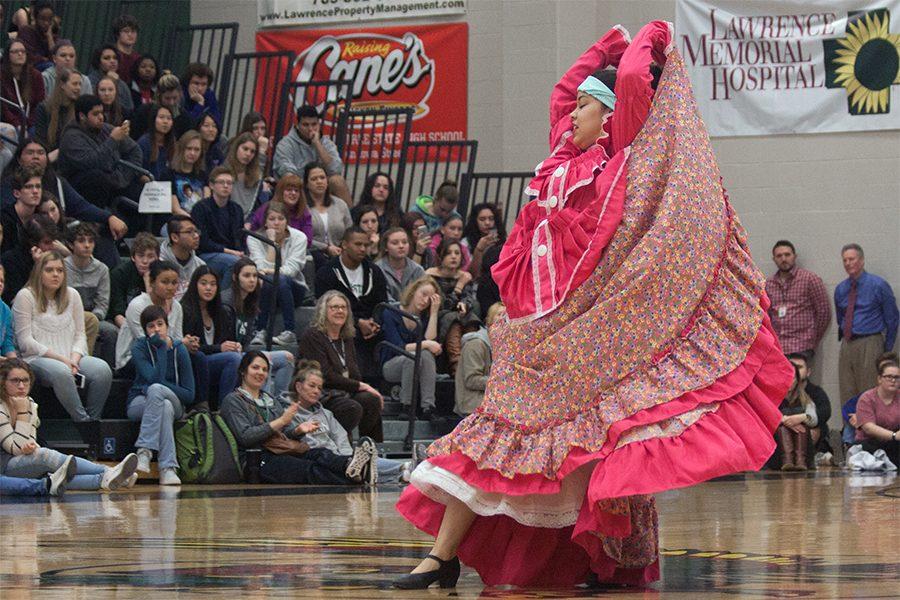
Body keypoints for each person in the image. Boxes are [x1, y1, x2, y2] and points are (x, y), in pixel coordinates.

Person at [394, 22, 795, 590]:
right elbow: (565, 89)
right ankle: (443, 555)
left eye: (587, 104)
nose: (572, 111)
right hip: (536, 330)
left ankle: (604, 558)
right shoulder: (560, 156)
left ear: (610, 115)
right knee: (499, 434)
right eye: (577, 105)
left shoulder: (622, 152)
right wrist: (607, 44)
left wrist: (649, 37)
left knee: (593, 446)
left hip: (590, 328)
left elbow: (630, 79)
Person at [220, 350, 376, 485]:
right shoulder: (233, 400)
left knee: (319, 453)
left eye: (265, 369)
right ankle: (356, 476)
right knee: (307, 469)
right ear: (243, 371)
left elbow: (284, 434)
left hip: (279, 449)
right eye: (255, 367)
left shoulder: (270, 399)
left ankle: (350, 464)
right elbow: (246, 437)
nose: (261, 372)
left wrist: (298, 431)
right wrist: (281, 421)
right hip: (256, 459)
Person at [0, 358, 138, 491]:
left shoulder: (29, 402)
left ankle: (108, 479)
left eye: (25, 380)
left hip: (22, 461)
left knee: (58, 478)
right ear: (3, 382)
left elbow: (29, 440)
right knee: (45, 455)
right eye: (15, 381)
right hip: (4, 465)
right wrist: (22, 413)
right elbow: (14, 448)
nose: (21, 386)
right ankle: (109, 471)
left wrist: (30, 446)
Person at [12, 251, 113, 423]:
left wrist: (74, 358)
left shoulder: (72, 295)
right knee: (62, 372)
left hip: (70, 356)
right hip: (37, 358)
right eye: (49, 270)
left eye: (60, 270)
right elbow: (25, 341)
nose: (55, 274)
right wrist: (62, 359)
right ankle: (82, 421)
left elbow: (80, 334)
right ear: (39, 272)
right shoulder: (26, 296)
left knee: (102, 370)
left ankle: (94, 420)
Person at [3, 138, 129, 265]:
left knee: (102, 235)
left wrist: (109, 217)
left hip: (58, 233)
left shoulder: (57, 182)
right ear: (19, 159)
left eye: (40, 153)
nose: (36, 157)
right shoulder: (9, 185)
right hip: (27, 242)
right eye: (30, 153)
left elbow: (81, 206)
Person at [281, 360, 406, 484]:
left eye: (319, 388)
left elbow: (340, 437)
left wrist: (348, 458)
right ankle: (407, 469)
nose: (316, 391)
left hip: (338, 460)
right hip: (314, 459)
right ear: (298, 386)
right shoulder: (285, 411)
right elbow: (286, 438)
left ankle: (405, 472)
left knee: (366, 464)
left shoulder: (325, 413)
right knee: (364, 467)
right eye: (312, 386)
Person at [297, 291, 384, 442]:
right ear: (324, 311)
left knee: (371, 400)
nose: (340, 311)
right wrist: (361, 385)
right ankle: (341, 444)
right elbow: (325, 375)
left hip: (342, 390)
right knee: (351, 407)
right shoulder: (313, 336)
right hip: (322, 391)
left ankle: (368, 446)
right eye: (334, 307)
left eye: (343, 307)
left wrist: (361, 385)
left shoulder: (347, 338)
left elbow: (354, 372)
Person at [128, 305, 195, 485]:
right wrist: (161, 349)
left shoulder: (180, 349)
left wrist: (163, 350)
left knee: (157, 391)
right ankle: (168, 469)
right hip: (138, 403)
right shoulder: (139, 348)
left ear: (167, 325)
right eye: (151, 326)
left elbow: (189, 395)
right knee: (162, 404)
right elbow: (152, 378)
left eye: (160, 324)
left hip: (176, 403)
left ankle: (144, 451)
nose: (157, 329)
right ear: (145, 331)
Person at [315, 227, 388, 377]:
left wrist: (374, 323)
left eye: (366, 245)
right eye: (358, 244)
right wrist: (356, 322)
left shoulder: (374, 271)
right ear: (344, 245)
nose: (362, 249)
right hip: (340, 327)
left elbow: (382, 303)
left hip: (371, 330)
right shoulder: (327, 272)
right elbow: (324, 308)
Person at [57, 94, 146, 209]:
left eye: (101, 112)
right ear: (82, 116)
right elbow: (92, 163)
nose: (101, 117)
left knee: (150, 200)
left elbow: (135, 150)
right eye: (95, 114)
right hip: (83, 190)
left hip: (114, 182)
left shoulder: (105, 128)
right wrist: (112, 140)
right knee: (96, 178)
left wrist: (122, 176)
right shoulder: (71, 137)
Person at [835, 243, 899, 403]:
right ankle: (849, 428)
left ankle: (870, 427)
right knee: (847, 388)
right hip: (848, 343)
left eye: (852, 259)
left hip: (870, 342)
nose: (848, 263)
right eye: (845, 260)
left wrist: (886, 349)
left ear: (862, 261)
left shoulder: (879, 285)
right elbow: (840, 316)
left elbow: (892, 319)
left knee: (869, 390)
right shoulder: (841, 288)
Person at [247, 201, 309, 346]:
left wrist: (268, 271)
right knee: (271, 280)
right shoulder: (254, 238)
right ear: (265, 222)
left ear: (287, 221)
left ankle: (288, 331)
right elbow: (260, 268)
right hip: (266, 288)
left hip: (295, 289)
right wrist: (271, 243)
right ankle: (262, 331)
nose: (276, 223)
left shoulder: (300, 238)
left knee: (278, 279)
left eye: (281, 219)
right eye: (272, 219)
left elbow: (292, 270)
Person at [381, 276, 441, 421]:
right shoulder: (391, 313)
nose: (425, 300)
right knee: (413, 356)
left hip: (417, 364)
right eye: (423, 294)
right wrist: (426, 344)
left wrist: (434, 313)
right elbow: (397, 346)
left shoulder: (425, 317)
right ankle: (406, 406)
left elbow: (431, 341)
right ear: (413, 292)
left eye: (430, 298)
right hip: (391, 364)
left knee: (425, 355)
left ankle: (428, 407)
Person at [114, 259, 182, 374]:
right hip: (133, 357)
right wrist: (174, 344)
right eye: (165, 282)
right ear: (152, 282)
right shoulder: (137, 305)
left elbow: (178, 337)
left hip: (166, 352)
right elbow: (144, 341)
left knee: (196, 357)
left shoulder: (177, 306)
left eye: (174, 283)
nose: (170, 287)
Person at [765, 241, 830, 359]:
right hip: (777, 348)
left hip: (802, 346)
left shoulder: (810, 279)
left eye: (787, 254)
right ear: (774, 259)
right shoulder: (768, 284)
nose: (783, 259)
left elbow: (824, 312)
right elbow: (766, 315)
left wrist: (812, 339)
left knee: (800, 378)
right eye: (779, 256)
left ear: (794, 256)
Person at [273, 105, 351, 205]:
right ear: (297, 125)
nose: (311, 129)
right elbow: (287, 174)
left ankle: (351, 219)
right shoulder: (285, 144)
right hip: (298, 188)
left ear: (319, 124)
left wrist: (317, 144)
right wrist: (310, 183)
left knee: (337, 181)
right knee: (293, 182)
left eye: (314, 124)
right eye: (305, 125)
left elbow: (336, 169)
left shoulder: (326, 143)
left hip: (321, 187)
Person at [424, 239, 480, 376]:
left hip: (461, 317)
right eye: (449, 253)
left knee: (471, 320)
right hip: (438, 314)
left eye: (457, 253)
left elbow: (470, 298)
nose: (454, 256)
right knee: (453, 322)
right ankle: (457, 368)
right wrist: (458, 287)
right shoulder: (430, 275)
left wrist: (464, 304)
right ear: (441, 256)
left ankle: (472, 369)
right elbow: (444, 304)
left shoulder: (464, 276)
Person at [64, 222, 117, 364]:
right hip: (67, 317)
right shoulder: (61, 267)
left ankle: (109, 371)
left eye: (91, 241)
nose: (87, 245)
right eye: (81, 241)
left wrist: (94, 317)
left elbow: (103, 303)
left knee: (111, 331)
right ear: (71, 245)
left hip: (93, 316)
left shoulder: (102, 269)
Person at [190, 166, 245, 285]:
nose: (226, 186)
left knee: (250, 266)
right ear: (211, 185)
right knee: (234, 263)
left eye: (229, 183)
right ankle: (223, 301)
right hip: (206, 254)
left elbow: (240, 237)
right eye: (221, 182)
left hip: (231, 253)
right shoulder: (200, 208)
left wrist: (241, 252)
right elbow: (202, 242)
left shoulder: (237, 209)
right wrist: (229, 252)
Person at [455, 302, 505, 417]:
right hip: (473, 403)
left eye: (507, 316)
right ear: (489, 321)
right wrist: (502, 382)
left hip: (493, 401)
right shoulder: (475, 344)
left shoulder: (505, 346)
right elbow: (472, 380)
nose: (503, 319)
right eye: (499, 314)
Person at [1, 215, 57, 305]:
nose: (52, 247)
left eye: (53, 241)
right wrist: (38, 267)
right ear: (32, 243)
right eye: (47, 243)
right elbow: (15, 300)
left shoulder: (53, 258)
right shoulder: (10, 261)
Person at [305, 162, 351, 270]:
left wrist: (343, 248)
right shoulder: (302, 207)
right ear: (306, 184)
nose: (319, 181)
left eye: (322, 178)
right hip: (313, 254)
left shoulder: (340, 204)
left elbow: (350, 231)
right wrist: (326, 248)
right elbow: (302, 236)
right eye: (314, 179)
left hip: (340, 252)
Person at [853, 359, 899, 465]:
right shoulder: (867, 398)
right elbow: (869, 428)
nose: (893, 380)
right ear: (879, 379)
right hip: (869, 443)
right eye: (889, 377)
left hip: (894, 443)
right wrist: (894, 435)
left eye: (897, 377)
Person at [109, 232, 159, 329]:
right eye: (141, 256)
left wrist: (147, 281)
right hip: (127, 322)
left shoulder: (162, 273)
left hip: (155, 324)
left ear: (157, 257)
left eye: (150, 256)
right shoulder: (119, 273)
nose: (145, 261)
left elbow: (159, 310)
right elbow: (118, 313)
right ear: (133, 257)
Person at [247, 173, 313, 245]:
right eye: (289, 190)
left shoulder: (304, 213)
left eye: (296, 190)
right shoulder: (266, 208)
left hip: (294, 250)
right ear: (280, 192)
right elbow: (253, 234)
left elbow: (308, 241)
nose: (293, 193)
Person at [774, 364, 818, 471]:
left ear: (797, 380)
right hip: (778, 451)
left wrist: (801, 417)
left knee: (803, 423)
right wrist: (784, 420)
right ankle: (787, 459)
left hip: (804, 447)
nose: (789, 380)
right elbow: (765, 418)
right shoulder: (772, 398)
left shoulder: (805, 399)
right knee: (782, 427)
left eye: (792, 377)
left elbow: (814, 420)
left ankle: (800, 460)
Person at [785, 352, 832, 454]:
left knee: (816, 428)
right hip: (785, 428)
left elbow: (825, 413)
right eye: (792, 367)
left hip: (810, 428)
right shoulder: (778, 391)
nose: (795, 371)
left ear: (808, 372)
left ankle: (803, 457)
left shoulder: (816, 392)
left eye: (799, 367)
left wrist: (802, 419)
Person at [34, 66, 81, 158]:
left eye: (80, 84)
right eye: (75, 84)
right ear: (62, 85)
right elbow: (40, 139)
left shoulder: (80, 109)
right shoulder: (44, 108)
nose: (78, 88)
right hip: (50, 156)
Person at [129, 72, 192, 141]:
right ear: (159, 96)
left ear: (180, 95)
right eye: (167, 98)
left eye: (175, 98)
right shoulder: (144, 112)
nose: (171, 103)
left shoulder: (184, 117)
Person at [1, 38, 45, 129]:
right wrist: (18, 125)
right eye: (15, 51)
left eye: (23, 51)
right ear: (7, 55)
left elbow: (39, 104)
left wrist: (28, 124)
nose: (20, 54)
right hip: (8, 123)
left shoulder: (35, 76)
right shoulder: (1, 76)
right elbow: (3, 108)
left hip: (31, 123)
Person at [159, 215, 205, 300]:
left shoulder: (200, 265)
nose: (196, 236)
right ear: (174, 237)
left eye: (196, 231)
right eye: (189, 232)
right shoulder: (158, 264)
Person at [163, 130, 207, 216]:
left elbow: (207, 203)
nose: (192, 153)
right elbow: (175, 209)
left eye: (197, 149)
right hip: (176, 222)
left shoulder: (203, 175)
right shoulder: (168, 174)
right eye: (189, 148)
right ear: (181, 149)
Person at [375, 227, 425, 302]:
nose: (401, 246)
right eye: (395, 243)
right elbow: (384, 301)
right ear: (386, 247)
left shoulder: (417, 269)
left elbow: (423, 296)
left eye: (405, 242)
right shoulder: (377, 269)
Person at [223, 131, 264, 216]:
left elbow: (255, 209)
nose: (248, 154)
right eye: (245, 149)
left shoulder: (257, 178)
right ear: (236, 148)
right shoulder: (223, 172)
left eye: (252, 152)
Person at [86, 44, 134, 115]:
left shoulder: (122, 85)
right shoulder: (89, 81)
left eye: (115, 58)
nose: (112, 61)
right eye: (106, 58)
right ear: (98, 62)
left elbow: (129, 109)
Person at [462, 203, 505, 279]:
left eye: (491, 219)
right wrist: (479, 250)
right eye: (482, 219)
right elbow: (471, 274)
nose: (487, 223)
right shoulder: (465, 243)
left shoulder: (501, 242)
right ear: (475, 221)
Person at [136, 103, 175, 180]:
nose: (165, 122)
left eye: (169, 118)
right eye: (161, 117)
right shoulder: (144, 142)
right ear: (153, 120)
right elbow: (137, 171)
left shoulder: (172, 142)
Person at [14, 0, 57, 68]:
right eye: (43, 19)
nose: (46, 23)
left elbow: (56, 59)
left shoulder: (52, 37)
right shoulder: (26, 32)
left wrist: (49, 37)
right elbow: (28, 56)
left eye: (49, 19)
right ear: (36, 18)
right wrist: (44, 59)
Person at [111, 14, 141, 84]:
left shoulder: (138, 58)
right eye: (126, 31)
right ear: (117, 34)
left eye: (133, 31)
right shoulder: (110, 55)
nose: (130, 34)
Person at [0, 265, 19, 360]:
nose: (0, 284)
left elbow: (7, 343)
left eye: (1, 281)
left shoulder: (5, 310)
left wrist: (14, 362)